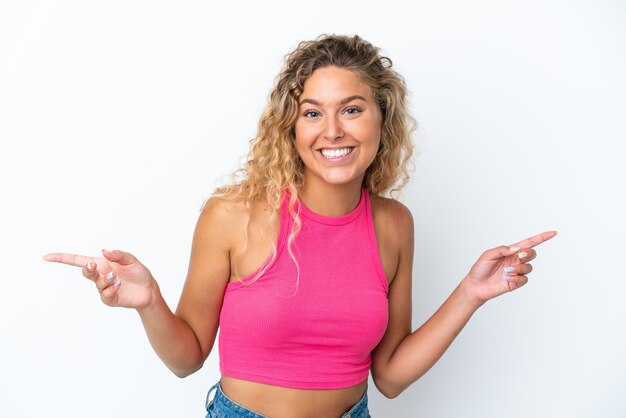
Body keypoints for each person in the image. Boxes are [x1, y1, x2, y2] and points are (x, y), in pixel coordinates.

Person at [43, 34, 557, 418]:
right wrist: (150, 301)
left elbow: (391, 377)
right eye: (312, 112)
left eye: (351, 110)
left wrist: (470, 292)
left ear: (382, 119)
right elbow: (186, 359)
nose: (332, 130)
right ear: (292, 125)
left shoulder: (394, 224)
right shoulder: (232, 214)